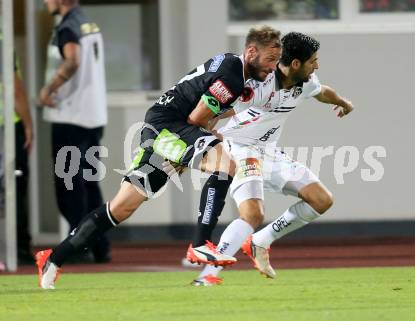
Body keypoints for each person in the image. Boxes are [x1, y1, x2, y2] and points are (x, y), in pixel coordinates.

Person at [35, 25, 282, 290]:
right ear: (251, 52)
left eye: (277, 62)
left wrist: (194, 147)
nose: (272, 67)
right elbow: (196, 119)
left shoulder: (234, 67)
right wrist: (195, 149)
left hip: (164, 127)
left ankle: (52, 258)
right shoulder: (233, 78)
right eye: (270, 60)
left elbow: (206, 112)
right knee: (224, 164)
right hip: (168, 126)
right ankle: (200, 244)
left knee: (122, 207)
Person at [190, 32, 354, 286]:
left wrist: (344, 102)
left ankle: (260, 241)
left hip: (269, 152)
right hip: (240, 149)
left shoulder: (306, 80)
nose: (317, 66)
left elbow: (322, 92)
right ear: (296, 64)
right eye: (313, 61)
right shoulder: (256, 85)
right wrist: (204, 142)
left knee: (321, 200)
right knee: (253, 214)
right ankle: (207, 276)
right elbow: (215, 109)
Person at [38, 0, 110, 263]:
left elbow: (72, 61)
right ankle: (101, 245)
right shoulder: (88, 22)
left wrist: (48, 90)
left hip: (71, 116)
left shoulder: (68, 26)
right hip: (93, 116)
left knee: (69, 187)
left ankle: (78, 244)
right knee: (89, 184)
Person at [0, 49, 34, 264]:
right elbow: (14, 87)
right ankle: (18, 250)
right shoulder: (3, 40)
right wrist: (28, 124)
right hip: (7, 125)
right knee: (14, 188)